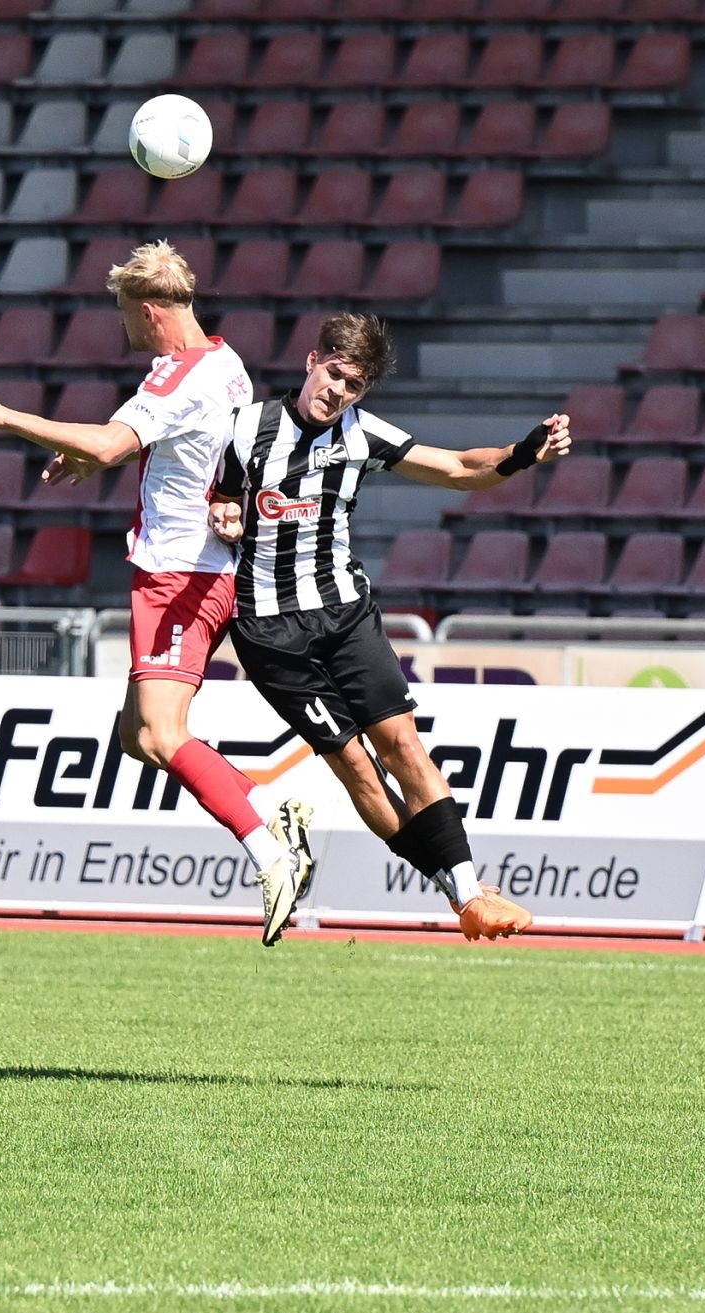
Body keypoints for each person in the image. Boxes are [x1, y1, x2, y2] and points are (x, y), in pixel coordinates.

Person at [0, 240, 314, 947]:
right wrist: (91, 459)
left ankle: (269, 851)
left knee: (163, 734)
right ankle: (269, 809)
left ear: (148, 310)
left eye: (122, 313)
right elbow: (181, 445)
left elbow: (114, 442)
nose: (122, 326)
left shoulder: (177, 377)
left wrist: (2, 415)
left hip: (182, 575)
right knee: (136, 738)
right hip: (192, 569)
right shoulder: (225, 362)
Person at [207, 312, 571, 941]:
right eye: (334, 375)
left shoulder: (362, 434)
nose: (338, 392)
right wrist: (223, 513)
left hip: (345, 614)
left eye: (354, 386)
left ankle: (468, 894)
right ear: (312, 361)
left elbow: (459, 467)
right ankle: (459, 889)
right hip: (270, 633)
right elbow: (214, 493)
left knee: (403, 745)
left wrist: (519, 454)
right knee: (357, 768)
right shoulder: (244, 427)